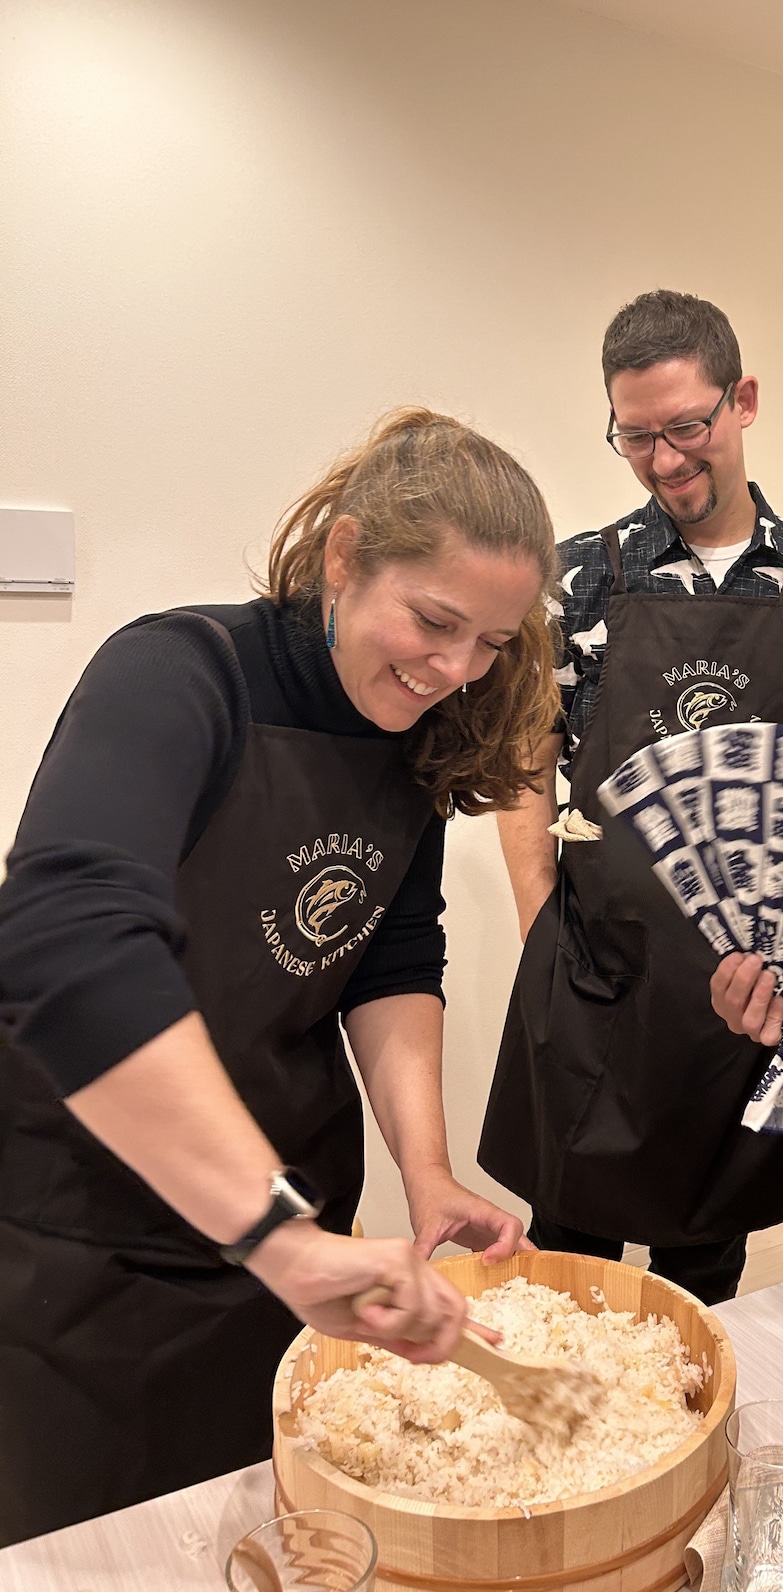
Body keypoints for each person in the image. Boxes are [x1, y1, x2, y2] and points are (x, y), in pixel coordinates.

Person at [0, 407, 560, 1541]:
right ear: (345, 555)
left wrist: (428, 1168)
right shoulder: (179, 670)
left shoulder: (411, 728)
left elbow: (388, 955)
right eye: (435, 620)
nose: (455, 670)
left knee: (264, 1535)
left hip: (296, 1224)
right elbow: (66, 932)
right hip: (92, 1235)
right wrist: (276, 1235)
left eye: (492, 643)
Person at [479, 290, 783, 1305]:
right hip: (595, 983)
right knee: (565, 1270)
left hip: (741, 1003)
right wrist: (540, 927)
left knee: (704, 1270)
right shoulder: (576, 579)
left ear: (742, 400)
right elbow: (528, 759)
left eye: (687, 427)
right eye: (635, 436)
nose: (664, 460)